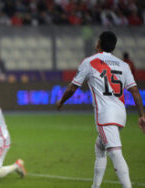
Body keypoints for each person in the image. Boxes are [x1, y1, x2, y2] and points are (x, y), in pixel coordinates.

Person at [56, 31, 145, 188]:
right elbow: (135, 92)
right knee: (100, 147)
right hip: (120, 115)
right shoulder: (123, 65)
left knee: (115, 153)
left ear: (98, 44)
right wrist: (142, 115)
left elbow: (72, 88)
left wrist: (61, 102)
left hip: (106, 115)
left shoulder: (90, 62)